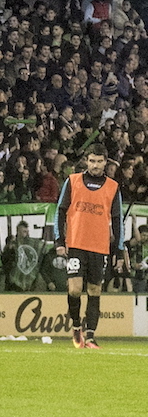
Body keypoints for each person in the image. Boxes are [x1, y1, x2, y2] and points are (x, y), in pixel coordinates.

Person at [54, 144, 123, 349]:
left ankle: (90, 336)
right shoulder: (73, 181)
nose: (95, 165)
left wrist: (119, 250)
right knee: (75, 289)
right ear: (86, 160)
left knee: (95, 289)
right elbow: (60, 211)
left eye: (99, 161)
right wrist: (59, 241)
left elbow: (118, 220)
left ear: (105, 162)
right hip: (76, 243)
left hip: (99, 247)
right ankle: (76, 326)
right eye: (92, 160)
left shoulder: (113, 187)